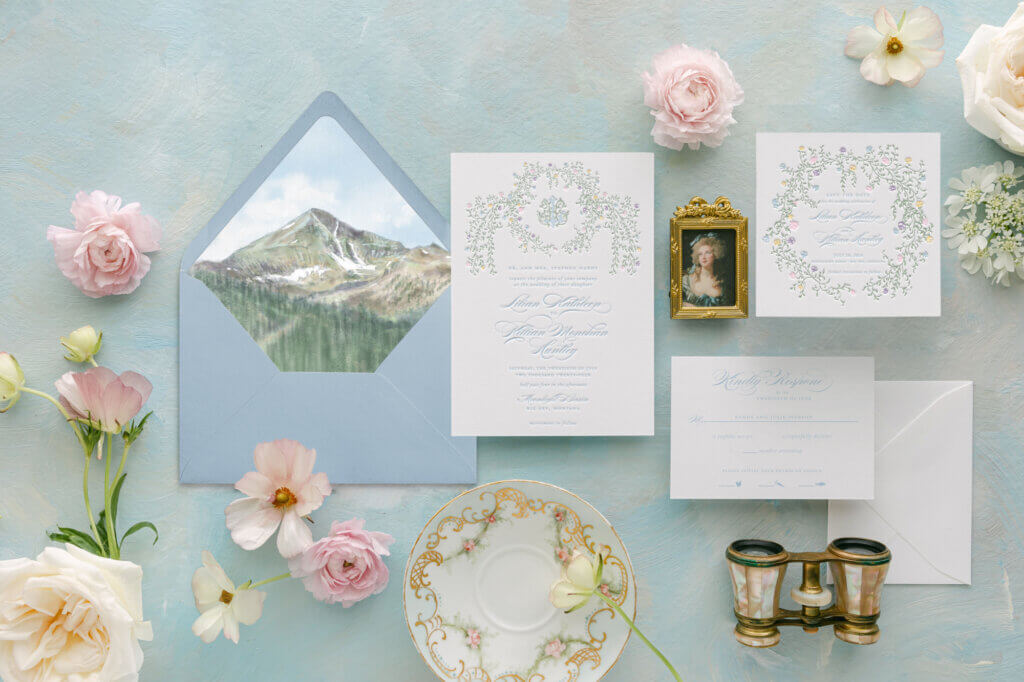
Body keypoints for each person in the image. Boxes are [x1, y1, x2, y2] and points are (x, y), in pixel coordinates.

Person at [681, 233, 733, 307]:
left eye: (708, 253)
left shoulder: (722, 283)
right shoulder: (687, 280)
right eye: (700, 254)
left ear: (715, 255)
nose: (703, 257)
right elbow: (675, 305)